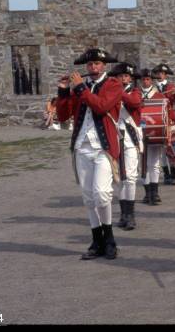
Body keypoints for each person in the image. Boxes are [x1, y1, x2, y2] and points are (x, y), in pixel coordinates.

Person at [56, 48, 121, 260]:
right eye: (90, 65)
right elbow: (63, 115)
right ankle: (97, 240)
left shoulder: (113, 84)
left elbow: (101, 107)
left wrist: (81, 88)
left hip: (103, 148)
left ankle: (109, 237)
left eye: (97, 64)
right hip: (82, 146)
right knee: (88, 197)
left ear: (104, 66)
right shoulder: (79, 88)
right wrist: (64, 91)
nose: (93, 68)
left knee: (102, 194)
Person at [108, 62, 144, 230]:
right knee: (119, 178)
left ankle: (130, 215)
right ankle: (123, 214)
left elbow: (135, 103)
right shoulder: (111, 93)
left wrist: (118, 91)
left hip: (130, 138)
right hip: (114, 138)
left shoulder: (135, 91)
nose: (123, 79)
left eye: (126, 76)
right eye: (120, 76)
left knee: (130, 177)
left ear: (130, 78)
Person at [139, 68, 167, 206]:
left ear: (152, 80)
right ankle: (147, 193)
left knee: (154, 164)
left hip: (154, 134)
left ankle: (155, 193)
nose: (146, 81)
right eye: (143, 79)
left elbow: (165, 115)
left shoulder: (159, 96)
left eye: (148, 79)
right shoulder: (135, 94)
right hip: (138, 134)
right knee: (143, 164)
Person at [152, 63, 175, 185]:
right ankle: (166, 174)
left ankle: (174, 173)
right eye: (157, 74)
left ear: (165, 75)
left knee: (173, 147)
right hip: (159, 121)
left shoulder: (172, 86)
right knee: (162, 149)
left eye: (161, 74)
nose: (159, 76)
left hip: (170, 120)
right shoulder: (152, 89)